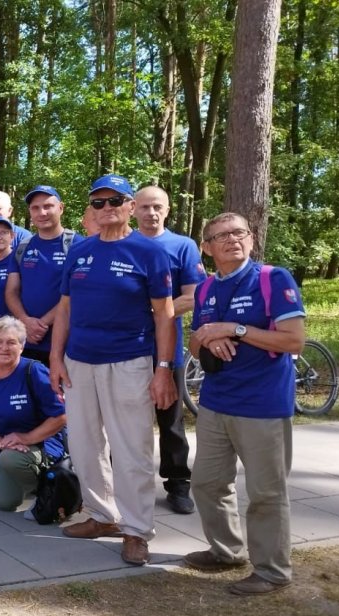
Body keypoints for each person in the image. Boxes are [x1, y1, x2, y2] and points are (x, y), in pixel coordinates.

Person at [48, 174, 177, 566]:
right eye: (98, 202)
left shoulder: (149, 252)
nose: (106, 209)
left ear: (129, 206)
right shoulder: (80, 250)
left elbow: (165, 315)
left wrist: (164, 368)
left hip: (129, 362)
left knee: (131, 449)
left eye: (114, 201)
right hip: (79, 363)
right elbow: (65, 309)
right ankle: (102, 516)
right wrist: (55, 357)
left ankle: (137, 530)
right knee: (86, 446)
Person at [184, 212, 306, 596]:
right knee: (206, 483)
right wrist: (207, 337)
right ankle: (226, 551)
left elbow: (293, 341)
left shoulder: (272, 279)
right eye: (220, 236)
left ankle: (271, 571)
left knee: (267, 493)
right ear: (207, 248)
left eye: (238, 233)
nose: (232, 240)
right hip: (216, 402)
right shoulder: (204, 290)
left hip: (263, 406)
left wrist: (235, 330)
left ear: (251, 239)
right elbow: (192, 344)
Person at [134, 185, 206, 514]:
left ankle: (178, 483)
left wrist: (157, 312)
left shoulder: (183, 246)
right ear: (133, 208)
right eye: (145, 207)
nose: (151, 213)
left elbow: (193, 295)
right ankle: (127, 483)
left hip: (167, 349)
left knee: (171, 421)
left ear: (167, 209)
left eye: (157, 207)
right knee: (126, 422)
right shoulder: (121, 244)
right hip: (125, 350)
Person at [0, 317, 67, 513]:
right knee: (5, 503)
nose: (4, 348)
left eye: (11, 342)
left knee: (10, 460)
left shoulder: (34, 371)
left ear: (22, 346)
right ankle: (33, 483)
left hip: (41, 444)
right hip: (8, 448)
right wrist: (0, 443)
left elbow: (62, 416)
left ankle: (54, 488)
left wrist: (26, 437)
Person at [5, 186, 82, 366]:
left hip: (64, 343)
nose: (42, 212)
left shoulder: (78, 245)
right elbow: (11, 291)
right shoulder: (22, 247)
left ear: (61, 208)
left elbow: (77, 293)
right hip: (25, 341)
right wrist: (25, 321)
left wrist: (42, 324)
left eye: (48, 206)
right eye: (36, 208)